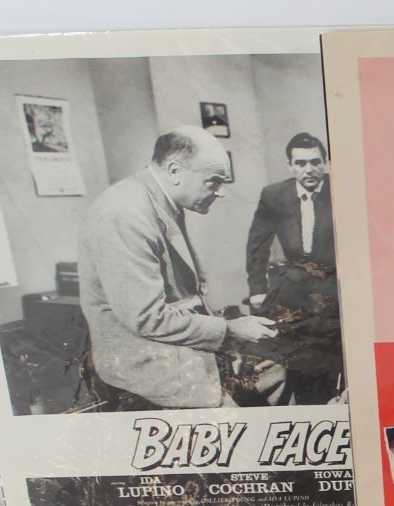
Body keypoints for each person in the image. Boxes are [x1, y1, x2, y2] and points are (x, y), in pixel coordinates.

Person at [76, 126, 278, 410]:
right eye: (214, 181)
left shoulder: (159, 201)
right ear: (174, 171)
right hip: (147, 365)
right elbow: (148, 318)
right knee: (244, 421)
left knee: (278, 373)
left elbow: (182, 299)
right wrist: (230, 330)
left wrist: (229, 341)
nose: (221, 193)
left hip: (177, 350)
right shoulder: (124, 213)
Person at [241, 132, 342, 404]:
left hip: (334, 292)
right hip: (294, 290)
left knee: (328, 368)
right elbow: (257, 245)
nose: (309, 169)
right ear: (290, 165)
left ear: (325, 163)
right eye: (300, 163)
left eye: (315, 162)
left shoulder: (342, 190)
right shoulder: (274, 195)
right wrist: (257, 290)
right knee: (289, 365)